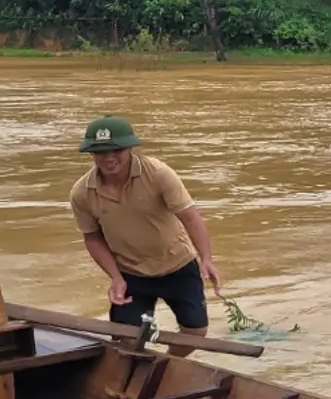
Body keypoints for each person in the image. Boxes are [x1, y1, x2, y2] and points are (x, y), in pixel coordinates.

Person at [68, 115, 222, 356]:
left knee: (195, 334)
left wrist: (206, 258)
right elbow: (92, 238)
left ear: (130, 148)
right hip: (132, 273)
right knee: (125, 341)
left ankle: (165, 364)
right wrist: (116, 278)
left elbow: (190, 216)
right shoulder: (81, 192)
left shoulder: (158, 173)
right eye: (101, 152)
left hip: (177, 263)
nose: (109, 158)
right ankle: (134, 372)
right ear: (91, 154)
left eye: (116, 150)